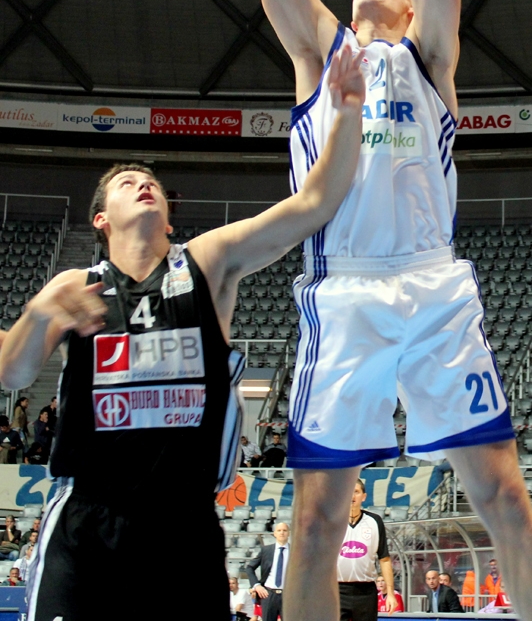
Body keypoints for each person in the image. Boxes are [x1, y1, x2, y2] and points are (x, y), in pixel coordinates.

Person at [213, 0, 532, 619]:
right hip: (346, 290)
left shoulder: (431, 57)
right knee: (315, 524)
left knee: (506, 500)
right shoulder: (317, 53)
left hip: (434, 284)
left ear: (415, 4)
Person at [0, 62, 366, 621]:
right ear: (100, 219)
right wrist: (38, 313)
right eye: (126, 183)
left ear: (170, 220)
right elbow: (14, 374)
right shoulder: (75, 286)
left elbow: (313, 205)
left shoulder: (206, 263)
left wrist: (348, 111)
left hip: (185, 525)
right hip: (88, 521)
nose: (142, 183)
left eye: (150, 181)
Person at [337, 479, 397, 621]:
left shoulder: (374, 521)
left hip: (366, 592)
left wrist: (390, 593)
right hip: (337, 590)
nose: (352, 496)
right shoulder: (333, 522)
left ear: (363, 497)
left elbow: (384, 559)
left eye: (356, 492)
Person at [246, 522, 290, 621]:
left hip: (288, 596)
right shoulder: (266, 550)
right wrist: (257, 585)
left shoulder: (294, 551)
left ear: (289, 533)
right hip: (268, 594)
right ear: (274, 533)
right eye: (279, 530)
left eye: (284, 530)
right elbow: (249, 568)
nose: (282, 533)